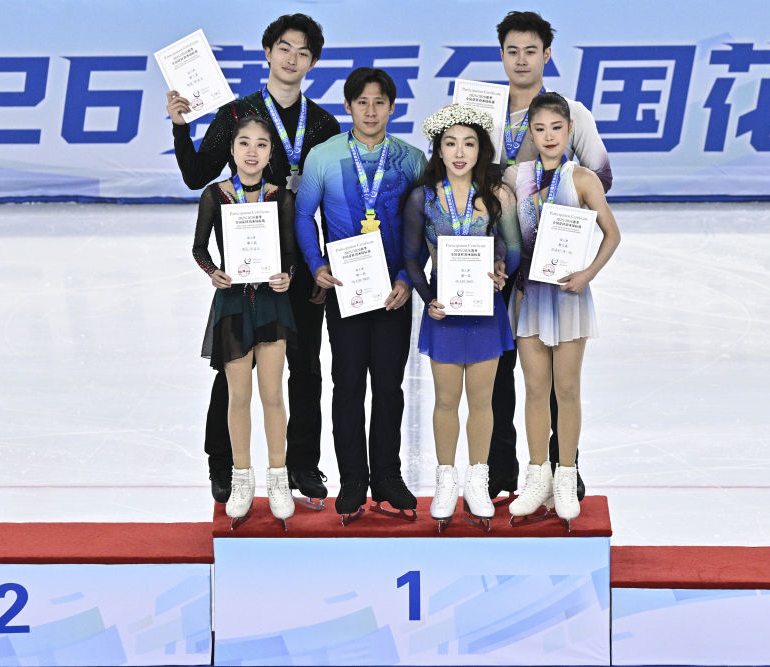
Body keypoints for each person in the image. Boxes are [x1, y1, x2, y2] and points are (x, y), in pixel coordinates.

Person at [167, 14, 340, 506]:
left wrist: (326, 262)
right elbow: (196, 175)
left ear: (313, 62)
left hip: (298, 261)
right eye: (284, 48)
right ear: (268, 52)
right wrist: (180, 127)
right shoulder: (236, 113)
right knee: (235, 368)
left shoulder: (323, 124)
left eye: (303, 52)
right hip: (245, 266)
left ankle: (301, 464)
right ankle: (224, 463)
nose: (292, 59)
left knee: (305, 364)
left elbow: (332, 199)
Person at [488, 10, 614, 503]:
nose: (521, 60)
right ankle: (505, 470)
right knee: (499, 369)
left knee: (560, 377)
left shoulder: (571, 112)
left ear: (547, 54)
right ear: (501, 55)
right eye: (512, 51)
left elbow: (600, 176)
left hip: (554, 268)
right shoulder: (485, 111)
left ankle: (566, 470)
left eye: (531, 51)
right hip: (494, 260)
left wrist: (557, 215)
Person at [294, 67, 428, 524]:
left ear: (392, 107)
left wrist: (409, 278)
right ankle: (353, 479)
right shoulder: (323, 156)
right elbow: (303, 215)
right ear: (348, 106)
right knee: (348, 384)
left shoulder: (412, 159)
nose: (371, 111)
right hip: (346, 292)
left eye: (379, 102)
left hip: (393, 292)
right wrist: (317, 265)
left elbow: (423, 226)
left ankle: (387, 476)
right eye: (362, 102)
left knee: (389, 387)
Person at [505, 92, 620, 528]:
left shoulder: (583, 178)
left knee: (567, 390)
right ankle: (537, 476)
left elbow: (612, 234)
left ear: (570, 130)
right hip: (530, 297)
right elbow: (504, 234)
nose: (549, 136)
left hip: (570, 297)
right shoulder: (517, 176)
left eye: (557, 128)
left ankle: (566, 474)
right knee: (535, 390)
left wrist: (587, 274)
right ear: (530, 133)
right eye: (540, 129)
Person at [403, 105, 521, 532]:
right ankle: (445, 480)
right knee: (446, 400)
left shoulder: (497, 194)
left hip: (485, 309)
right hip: (445, 311)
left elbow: (513, 247)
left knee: (483, 400)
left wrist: (502, 272)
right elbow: (411, 257)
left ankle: (477, 479)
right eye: (450, 143)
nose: (459, 152)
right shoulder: (424, 198)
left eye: (468, 144)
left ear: (480, 150)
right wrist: (427, 298)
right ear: (438, 149)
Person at [191, 116, 298, 528]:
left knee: (272, 394)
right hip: (233, 303)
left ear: (270, 153)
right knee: (238, 396)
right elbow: (199, 248)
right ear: (232, 150)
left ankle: (279, 477)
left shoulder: (279, 197)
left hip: (271, 305)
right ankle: (240, 478)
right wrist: (213, 271)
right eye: (244, 143)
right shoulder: (215, 195)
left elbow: (289, 253)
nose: (252, 152)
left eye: (261, 145)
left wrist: (287, 275)